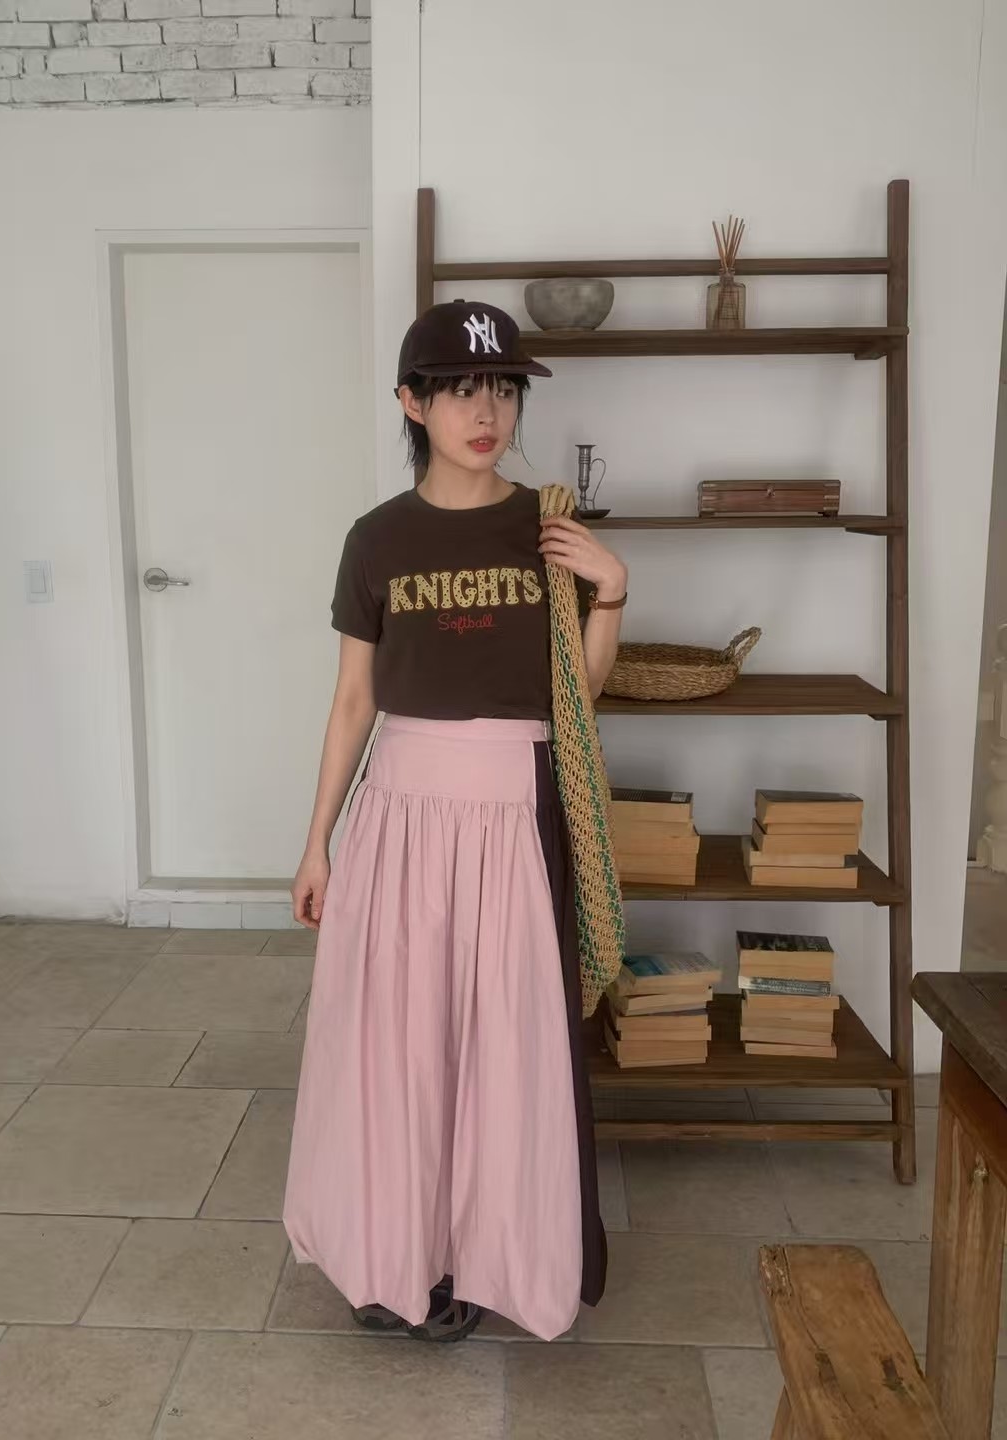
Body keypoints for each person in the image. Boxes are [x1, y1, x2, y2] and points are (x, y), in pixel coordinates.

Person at [282, 299, 628, 1343]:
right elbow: (353, 700)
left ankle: (482, 1262)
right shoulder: (375, 540)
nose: (488, 413)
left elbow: (576, 698)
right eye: (462, 391)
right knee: (395, 1043)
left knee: (502, 1046)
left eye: (504, 391)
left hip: (514, 811)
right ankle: (394, 1255)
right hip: (400, 813)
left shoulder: (547, 530)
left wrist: (612, 594)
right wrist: (317, 842)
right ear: (412, 403)